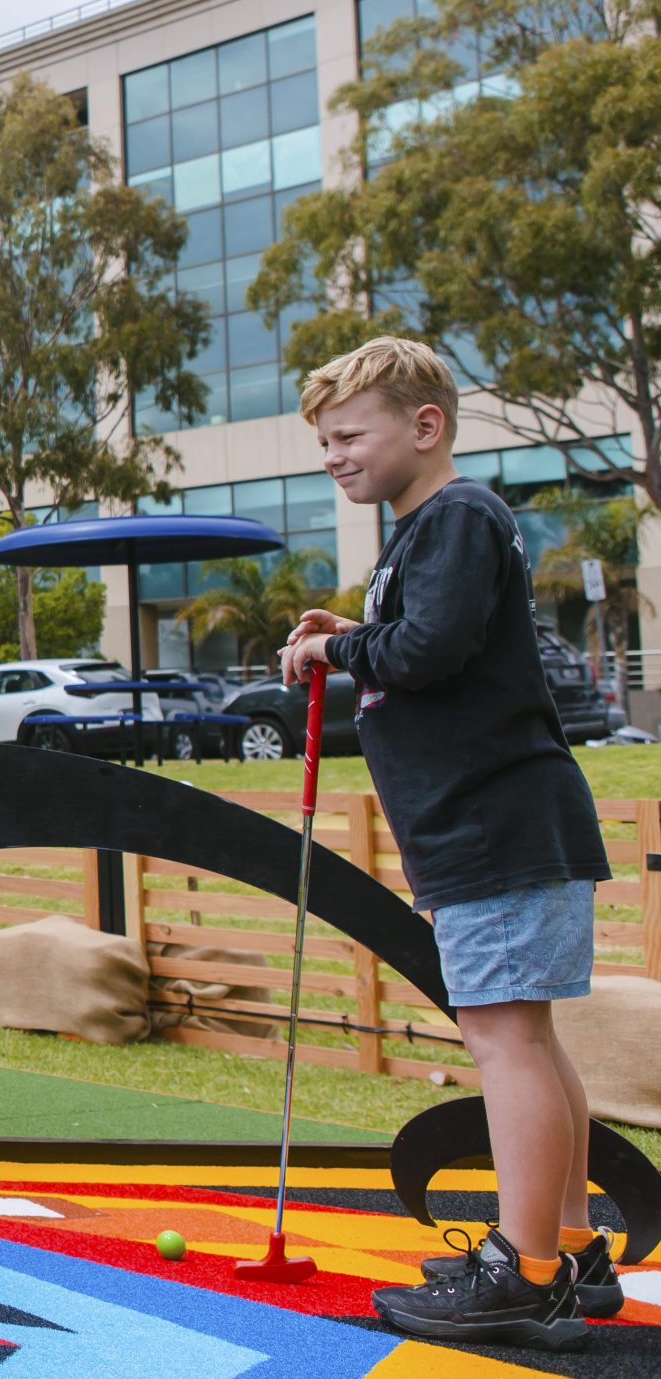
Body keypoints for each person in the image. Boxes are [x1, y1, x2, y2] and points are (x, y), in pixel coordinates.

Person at [280, 337, 616, 1351]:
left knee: (505, 1043)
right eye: (324, 442)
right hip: (492, 828)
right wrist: (356, 626)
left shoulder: (458, 514)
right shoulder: (427, 534)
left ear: (425, 426)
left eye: (350, 435)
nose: (333, 456)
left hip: (494, 825)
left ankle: (524, 1272)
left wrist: (334, 645)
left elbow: (428, 648)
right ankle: (568, 1247)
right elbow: (426, 636)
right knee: (527, 1040)